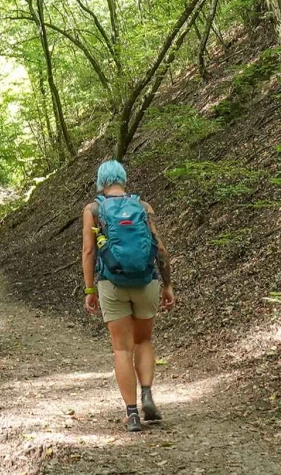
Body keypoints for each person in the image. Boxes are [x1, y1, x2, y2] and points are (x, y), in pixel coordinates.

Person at [81, 158, 175, 432]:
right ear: (124, 179)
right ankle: (147, 393)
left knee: (122, 348)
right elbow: (160, 248)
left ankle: (132, 414)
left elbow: (89, 252)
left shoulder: (94, 210)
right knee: (144, 340)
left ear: (101, 182)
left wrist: (90, 289)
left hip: (112, 283)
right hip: (146, 282)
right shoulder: (143, 207)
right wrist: (167, 285)